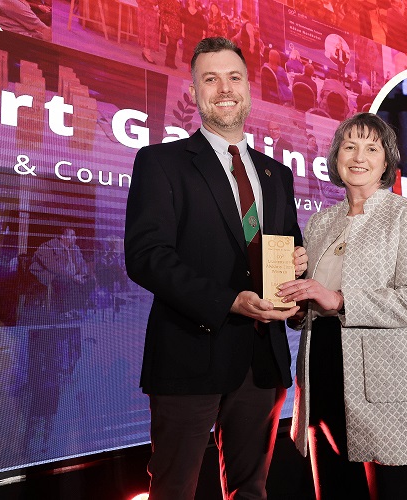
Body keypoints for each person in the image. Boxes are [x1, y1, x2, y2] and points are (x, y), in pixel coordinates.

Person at [124, 37, 308, 500]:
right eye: (211, 79)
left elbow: (289, 250)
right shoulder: (160, 162)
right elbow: (146, 256)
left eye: (234, 77)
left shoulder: (278, 174)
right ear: (193, 92)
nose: (224, 89)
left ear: (248, 88)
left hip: (262, 360)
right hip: (188, 354)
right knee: (174, 490)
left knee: (251, 491)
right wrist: (229, 301)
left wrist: (298, 278)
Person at [279, 113, 407, 499]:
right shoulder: (319, 223)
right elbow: (311, 304)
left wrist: (338, 300)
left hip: (390, 388)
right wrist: (294, 307)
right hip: (322, 377)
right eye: (349, 147)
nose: (358, 157)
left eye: (371, 148)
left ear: (387, 162)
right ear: (336, 156)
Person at [30, 228, 94, 318]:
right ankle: (65, 311)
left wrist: (82, 275)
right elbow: (53, 267)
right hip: (50, 274)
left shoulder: (75, 248)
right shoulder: (49, 246)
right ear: (63, 237)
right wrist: (72, 276)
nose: (75, 238)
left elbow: (82, 263)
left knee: (90, 281)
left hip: (71, 275)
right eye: (72, 235)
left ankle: (77, 308)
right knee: (66, 281)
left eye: (75, 235)